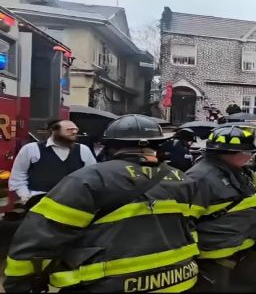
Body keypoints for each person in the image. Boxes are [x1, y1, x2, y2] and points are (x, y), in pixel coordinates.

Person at [3, 115, 201, 292]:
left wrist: (18, 283)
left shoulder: (89, 179)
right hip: (178, 281)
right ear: (158, 145)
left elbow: (40, 238)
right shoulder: (182, 179)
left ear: (110, 145)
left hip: (106, 283)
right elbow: (189, 229)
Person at [186, 125, 256, 292]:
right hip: (216, 258)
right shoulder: (201, 178)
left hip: (244, 249)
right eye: (248, 153)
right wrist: (190, 258)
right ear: (229, 154)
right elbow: (185, 222)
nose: (251, 157)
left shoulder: (237, 171)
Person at [8, 119, 96, 210]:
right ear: (54, 130)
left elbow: (93, 176)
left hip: (73, 203)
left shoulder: (83, 150)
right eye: (69, 129)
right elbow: (18, 177)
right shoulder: (31, 149)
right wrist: (26, 197)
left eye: (76, 129)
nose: (74, 132)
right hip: (38, 203)